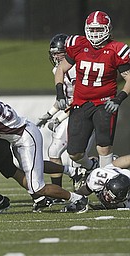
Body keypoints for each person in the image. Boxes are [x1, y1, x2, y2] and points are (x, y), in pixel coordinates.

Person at [0, 80, 90, 213]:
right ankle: (73, 171)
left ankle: (78, 199)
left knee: (37, 187)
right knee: (34, 166)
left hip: (25, 137)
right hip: (18, 135)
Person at [54, 10, 130, 171]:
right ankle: (92, 166)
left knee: (103, 147)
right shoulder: (78, 45)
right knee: (74, 153)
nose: (95, 33)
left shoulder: (117, 49)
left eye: (99, 29)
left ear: (107, 29)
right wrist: (60, 93)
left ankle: (104, 182)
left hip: (104, 103)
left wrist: (119, 98)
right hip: (80, 103)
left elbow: (129, 77)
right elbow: (61, 69)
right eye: (92, 29)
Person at [37, 33, 95, 194]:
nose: (55, 56)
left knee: (76, 156)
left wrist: (59, 117)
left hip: (84, 113)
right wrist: (48, 114)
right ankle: (59, 191)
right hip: (73, 112)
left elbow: (77, 98)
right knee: (53, 151)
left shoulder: (76, 68)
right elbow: (64, 99)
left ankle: (94, 170)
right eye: (53, 52)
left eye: (58, 52)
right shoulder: (58, 69)